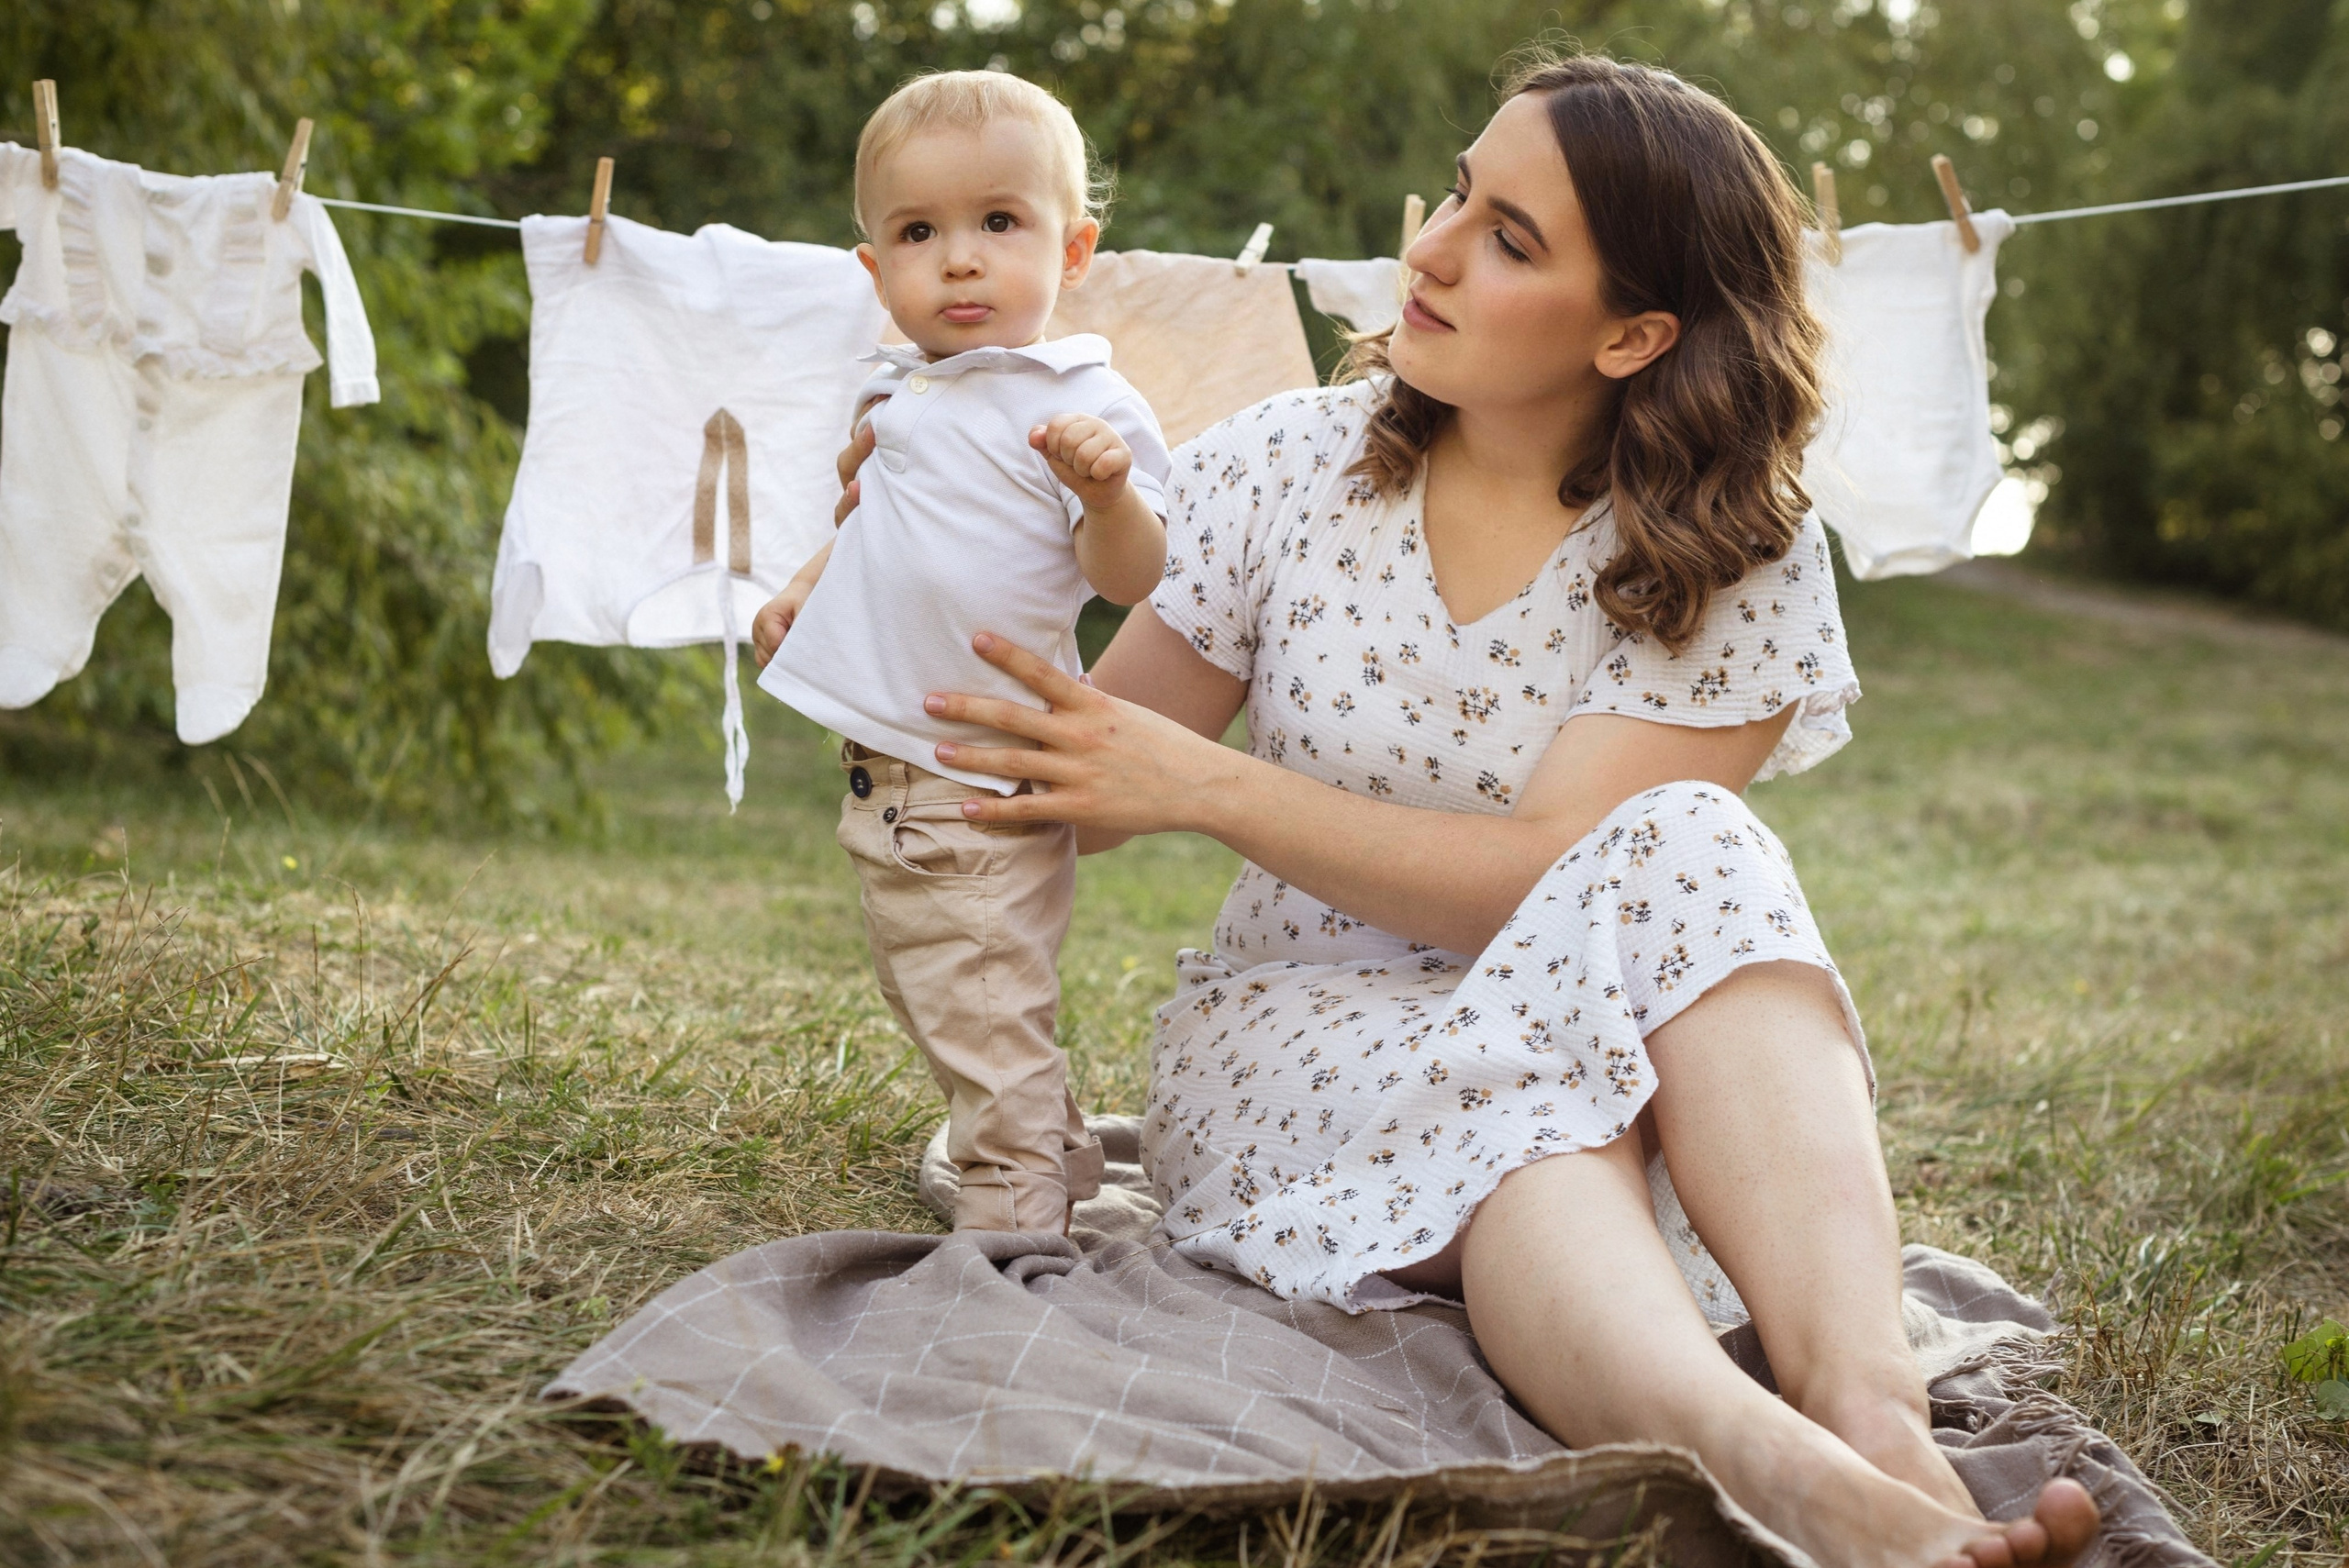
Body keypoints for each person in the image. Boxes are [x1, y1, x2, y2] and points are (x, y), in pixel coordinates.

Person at [858, 50, 2101, 1568]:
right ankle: (1777, 1470)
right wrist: (892, 560)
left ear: (1637, 330)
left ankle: (1876, 1415)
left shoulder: (1733, 555)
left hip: (1607, 1032)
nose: (1433, 246)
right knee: (1528, 1108)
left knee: (1697, 850)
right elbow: (1084, 778)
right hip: (1301, 1033)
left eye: (1512, 237)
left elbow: (1545, 885)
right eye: (1461, 191)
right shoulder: (1280, 468)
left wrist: (1215, 786)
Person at [751, 70, 1174, 1238]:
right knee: (938, 980)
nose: (961, 259)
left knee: (978, 983)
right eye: (918, 232)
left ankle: (1015, 1203)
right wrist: (800, 588)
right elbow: (869, 527)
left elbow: (1131, 578)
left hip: (974, 765)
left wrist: (1108, 493)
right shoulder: (901, 394)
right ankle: (1056, 1150)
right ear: (873, 268)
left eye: (1000, 222)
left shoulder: (1075, 398)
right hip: (886, 761)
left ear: (1073, 247)